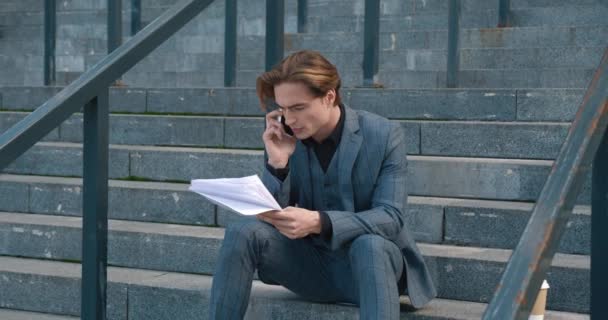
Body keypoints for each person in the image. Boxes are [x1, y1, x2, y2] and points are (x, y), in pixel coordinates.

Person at [208, 50, 436, 319]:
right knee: (242, 231)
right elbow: (268, 217)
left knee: (370, 245)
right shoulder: (285, 138)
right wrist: (277, 163)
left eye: (298, 108)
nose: (289, 119)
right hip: (310, 267)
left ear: (328, 97)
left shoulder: (384, 134)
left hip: (371, 269)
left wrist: (319, 221)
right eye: (282, 109)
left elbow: (391, 217)